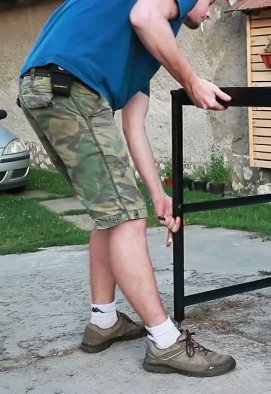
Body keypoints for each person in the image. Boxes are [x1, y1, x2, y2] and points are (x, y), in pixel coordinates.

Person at [18, 0, 235, 377]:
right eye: (213, 2)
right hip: (69, 87)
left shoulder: (138, 56)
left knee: (110, 214)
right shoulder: (155, 17)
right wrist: (192, 80)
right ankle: (166, 342)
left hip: (45, 88)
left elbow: (134, 130)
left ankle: (103, 321)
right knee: (125, 219)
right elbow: (145, 16)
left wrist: (159, 196)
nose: (211, 11)